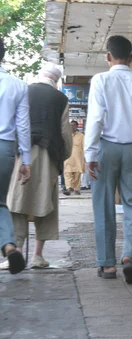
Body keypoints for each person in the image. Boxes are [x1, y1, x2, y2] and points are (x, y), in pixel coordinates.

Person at [85, 35, 132, 282]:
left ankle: (107, 266)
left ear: (108, 56)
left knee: (103, 204)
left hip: (106, 148)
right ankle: (130, 257)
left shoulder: (101, 80)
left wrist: (90, 153)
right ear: (131, 57)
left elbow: (95, 118)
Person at [3, 64, 72, 270]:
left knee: (17, 203)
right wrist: (63, 157)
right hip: (47, 156)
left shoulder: (24, 89)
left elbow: (17, 122)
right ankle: (38, 256)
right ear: (56, 80)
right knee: (45, 204)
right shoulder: (61, 99)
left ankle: (14, 253)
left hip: (19, 154)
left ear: (39, 76)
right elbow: (65, 133)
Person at [0, 37, 30, 274]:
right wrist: (26, 160)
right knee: (1, 203)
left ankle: (9, 246)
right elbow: (23, 126)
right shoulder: (18, 85)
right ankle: (10, 246)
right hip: (6, 148)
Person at [63, 120, 85, 195]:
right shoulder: (66, 135)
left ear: (77, 126)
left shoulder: (81, 136)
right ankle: (68, 188)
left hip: (77, 159)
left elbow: (84, 147)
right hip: (67, 158)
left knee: (77, 174)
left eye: (73, 125)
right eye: (70, 125)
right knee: (67, 173)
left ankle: (76, 189)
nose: (72, 127)